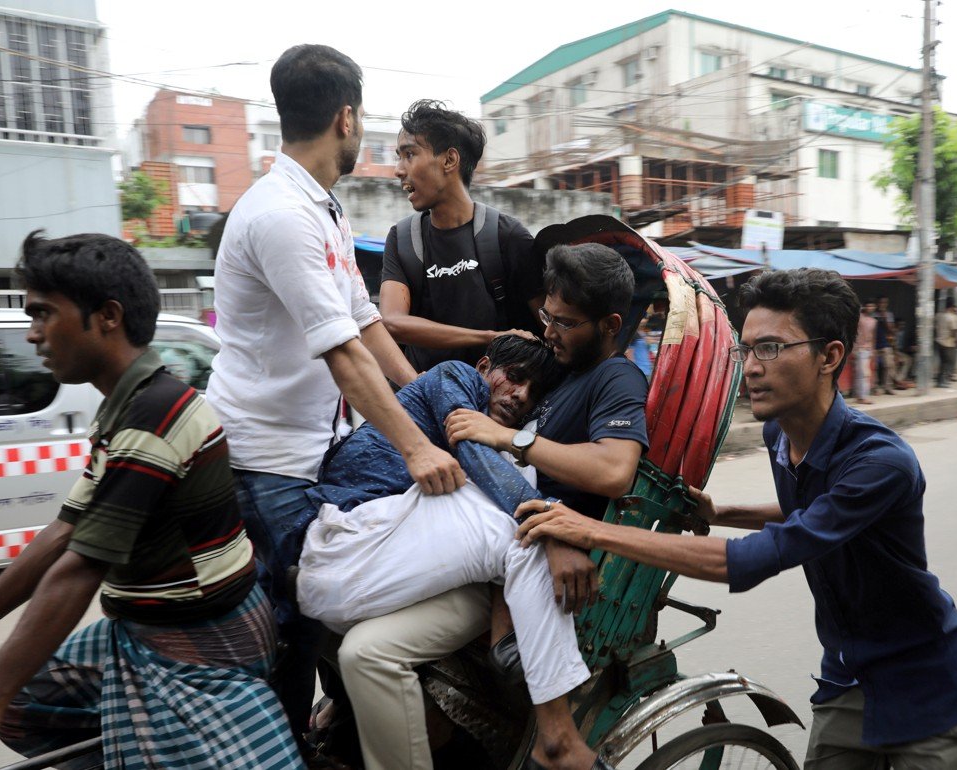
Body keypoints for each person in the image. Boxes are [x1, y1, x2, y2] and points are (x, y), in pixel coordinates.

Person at [517, 268, 957, 768]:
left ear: (829, 357)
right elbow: (814, 511)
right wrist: (724, 510)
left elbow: (755, 558)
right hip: (847, 678)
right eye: (746, 350)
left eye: (771, 348)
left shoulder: (880, 462)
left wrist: (590, 530)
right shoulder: (780, 436)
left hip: (923, 684)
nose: (752, 367)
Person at [0, 232, 302, 769]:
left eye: (43, 315)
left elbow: (79, 569)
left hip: (200, 644)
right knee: (25, 707)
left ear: (107, 317)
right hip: (149, 628)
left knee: (10, 706)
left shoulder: (155, 416)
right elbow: (63, 532)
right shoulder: (127, 406)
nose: (33, 336)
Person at [206, 44, 465, 745]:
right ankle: (287, 752)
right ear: (346, 117)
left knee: (327, 613)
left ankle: (332, 738)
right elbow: (343, 352)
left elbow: (366, 322)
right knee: (292, 630)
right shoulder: (280, 215)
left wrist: (430, 403)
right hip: (269, 464)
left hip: (317, 451)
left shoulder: (324, 211)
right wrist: (417, 450)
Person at [330, 242, 647, 770]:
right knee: (340, 634)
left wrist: (509, 441)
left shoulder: (616, 377)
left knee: (367, 650)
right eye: (548, 316)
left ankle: (555, 738)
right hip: (482, 544)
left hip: (530, 552)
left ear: (610, 324)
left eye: (566, 323)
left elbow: (615, 472)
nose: (550, 332)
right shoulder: (558, 376)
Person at [298, 335, 607, 770]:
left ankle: (552, 728)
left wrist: (554, 524)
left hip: (407, 555)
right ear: (484, 367)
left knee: (515, 533)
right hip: (371, 540)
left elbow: (477, 458)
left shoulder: (510, 445)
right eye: (514, 379)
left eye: (532, 395)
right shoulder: (455, 377)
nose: (519, 396)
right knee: (353, 647)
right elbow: (471, 450)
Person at [380, 100, 542, 370]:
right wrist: (488, 338)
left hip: (496, 406)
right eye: (399, 157)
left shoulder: (508, 236)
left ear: (449, 160)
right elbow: (393, 321)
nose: (398, 170)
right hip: (424, 401)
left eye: (409, 154)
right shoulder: (402, 239)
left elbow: (549, 328)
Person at [935, 296, 957, 388]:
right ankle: (943, 380)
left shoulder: (938, 315)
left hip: (939, 341)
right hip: (948, 342)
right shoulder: (953, 317)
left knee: (942, 362)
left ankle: (940, 380)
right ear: (952, 307)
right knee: (950, 362)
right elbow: (954, 331)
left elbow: (935, 326)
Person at [874, 296, 896, 395]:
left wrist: (884, 317)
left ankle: (888, 387)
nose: (882, 305)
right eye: (880, 302)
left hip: (885, 343)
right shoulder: (872, 313)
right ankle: (875, 387)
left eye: (884, 303)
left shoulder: (889, 315)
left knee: (889, 365)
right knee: (874, 367)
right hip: (873, 344)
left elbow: (891, 330)